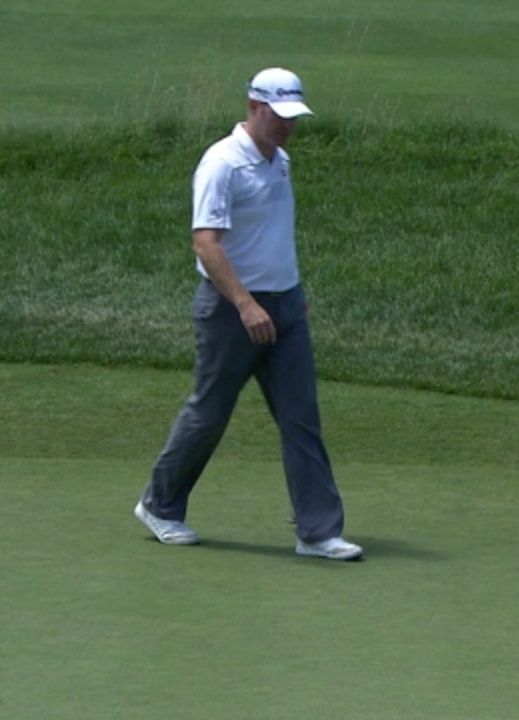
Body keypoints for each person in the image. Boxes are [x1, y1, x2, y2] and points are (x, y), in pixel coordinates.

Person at [133, 67, 362, 561]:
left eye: (293, 118)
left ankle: (317, 531)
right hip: (230, 310)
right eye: (279, 116)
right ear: (255, 107)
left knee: (301, 418)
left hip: (284, 307)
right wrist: (246, 303)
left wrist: (291, 291)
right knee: (209, 413)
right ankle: (159, 505)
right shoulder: (222, 163)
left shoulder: (280, 161)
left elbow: (275, 234)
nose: (288, 126)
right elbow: (206, 243)